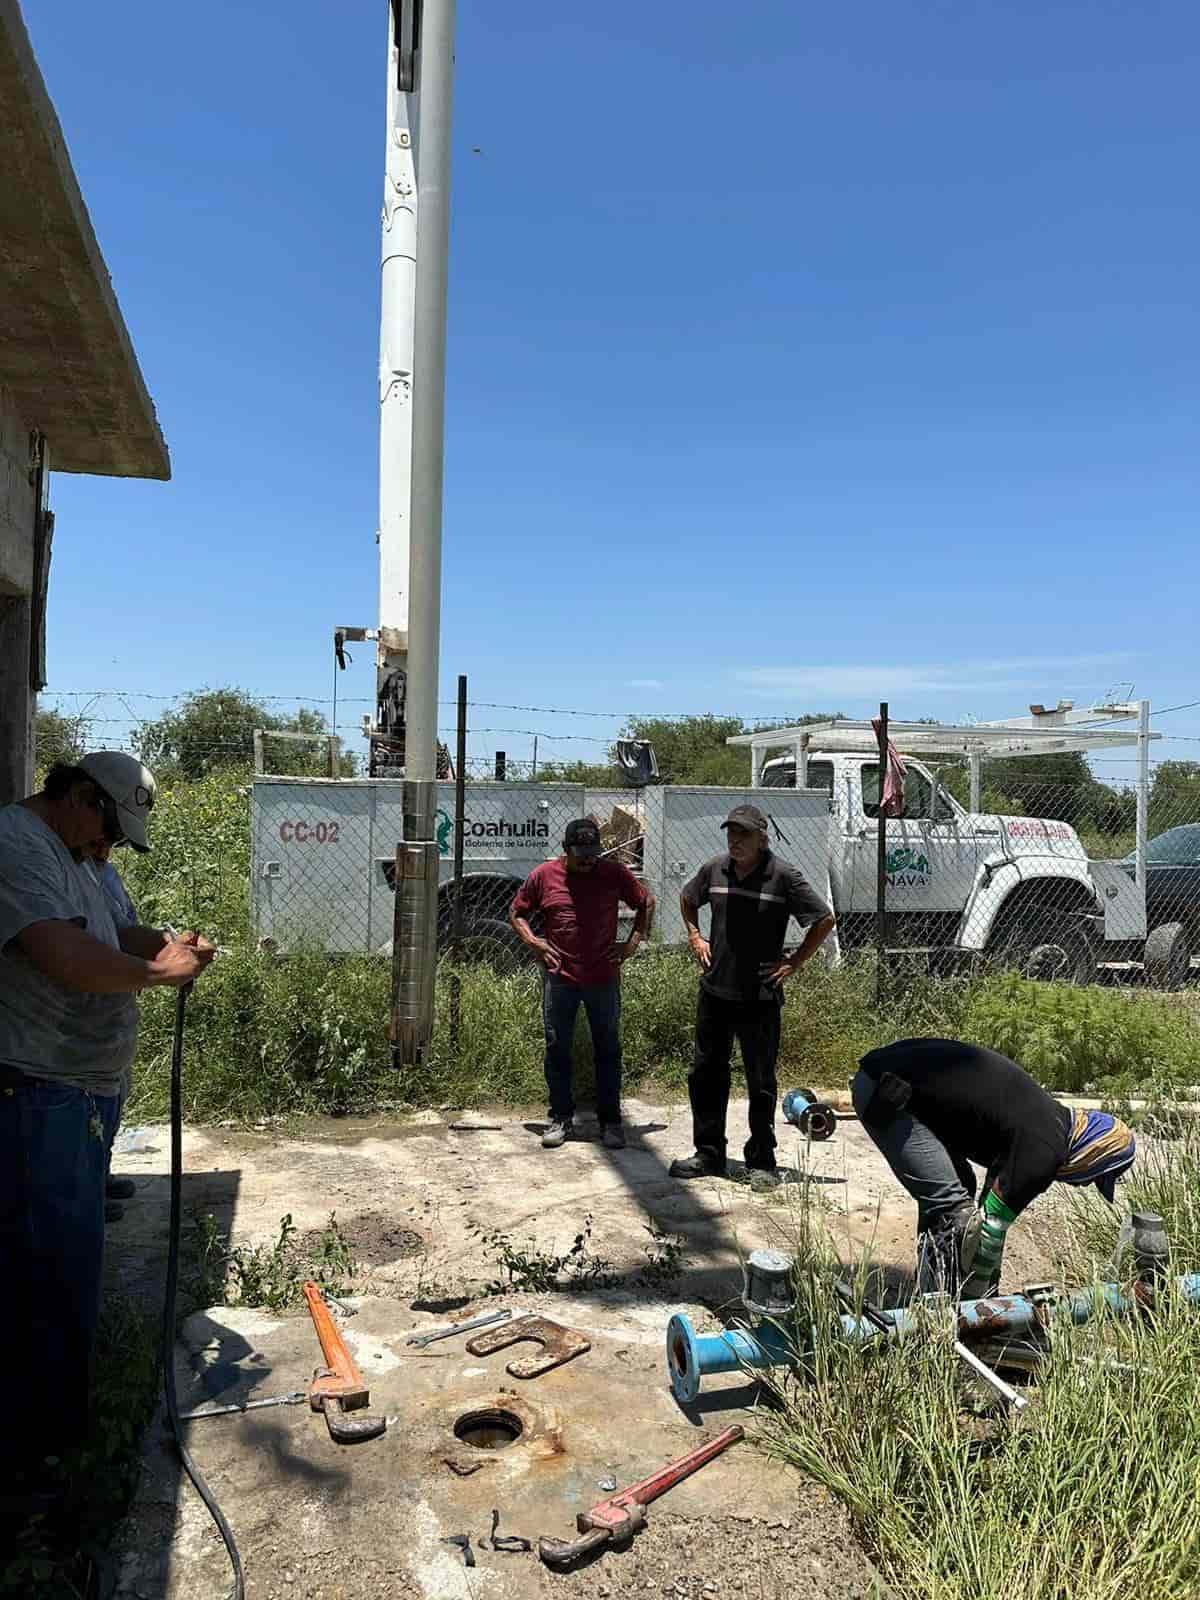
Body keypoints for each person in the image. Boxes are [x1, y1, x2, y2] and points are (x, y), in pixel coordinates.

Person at [0, 752, 213, 1512]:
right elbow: (60, 954)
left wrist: (164, 948)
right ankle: (45, 1464)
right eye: (109, 831)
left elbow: (116, 932)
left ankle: (55, 1431)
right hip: (38, 1088)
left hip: (86, 1087)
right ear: (81, 797)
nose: (110, 849)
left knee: (71, 1257)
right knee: (51, 1274)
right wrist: (161, 976)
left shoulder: (81, 856)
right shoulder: (17, 846)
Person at [852, 1037, 1137, 1297]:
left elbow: (988, 1212)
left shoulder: (1048, 1125)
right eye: (1095, 1176)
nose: (1084, 1184)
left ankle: (934, 1296)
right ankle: (944, 1311)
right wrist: (982, 1303)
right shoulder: (1044, 1153)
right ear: (1094, 1153)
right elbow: (989, 1229)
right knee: (953, 1211)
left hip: (889, 1078)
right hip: (888, 1092)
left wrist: (988, 1282)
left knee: (961, 1191)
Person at [670, 804, 835, 1182]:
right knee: (706, 1075)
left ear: (763, 838)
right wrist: (695, 935)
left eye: (743, 834)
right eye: (731, 833)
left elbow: (823, 918)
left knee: (760, 1082)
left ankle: (762, 1161)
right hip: (715, 991)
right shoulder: (714, 869)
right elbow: (687, 897)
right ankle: (709, 1153)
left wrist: (794, 963)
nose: (734, 840)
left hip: (759, 997)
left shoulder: (783, 877)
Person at [510, 817, 654, 1151]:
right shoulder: (544, 876)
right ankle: (560, 1117)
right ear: (565, 850)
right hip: (560, 977)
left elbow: (645, 902)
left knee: (608, 1048)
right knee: (557, 1046)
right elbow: (516, 913)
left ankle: (611, 1121)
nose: (588, 860)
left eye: (593, 853)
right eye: (581, 854)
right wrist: (535, 943)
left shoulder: (613, 874)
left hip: (603, 977)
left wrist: (632, 943)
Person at [82, 836, 139, 1221]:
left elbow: (125, 926)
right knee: (92, 1108)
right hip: (86, 1015)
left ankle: (99, 1176)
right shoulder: (73, 874)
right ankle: (87, 1192)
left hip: (114, 1008)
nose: (105, 848)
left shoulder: (107, 874)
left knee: (117, 1094)